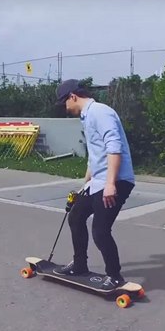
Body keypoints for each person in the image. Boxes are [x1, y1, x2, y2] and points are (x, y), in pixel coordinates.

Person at [53, 79, 136, 290]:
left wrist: (110, 184)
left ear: (73, 96)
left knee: (100, 230)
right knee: (76, 216)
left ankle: (115, 276)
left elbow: (113, 148)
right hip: (98, 181)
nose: (64, 108)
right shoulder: (87, 116)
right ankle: (79, 265)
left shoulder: (101, 112)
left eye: (64, 103)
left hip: (116, 181)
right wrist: (86, 182)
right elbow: (96, 154)